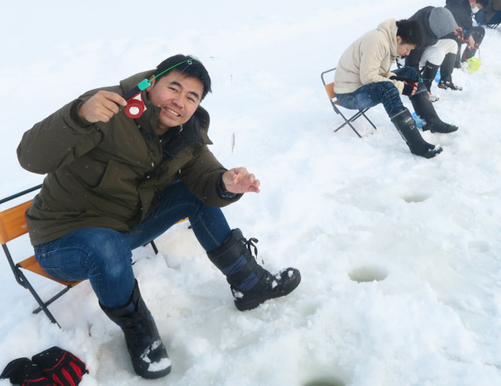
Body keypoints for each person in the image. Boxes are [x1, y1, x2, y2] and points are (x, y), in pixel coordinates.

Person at [17, 55, 300, 380]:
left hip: (124, 226)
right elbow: (30, 156)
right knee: (105, 245)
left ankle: (249, 282)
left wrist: (225, 183)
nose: (179, 102)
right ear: (152, 82)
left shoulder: (184, 133)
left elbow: (205, 178)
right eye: (174, 88)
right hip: (63, 239)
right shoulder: (107, 108)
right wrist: (79, 116)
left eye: (191, 97)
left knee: (192, 194)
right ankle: (138, 328)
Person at [334, 19, 457, 158]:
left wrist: (399, 79)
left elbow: (379, 72)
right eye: (408, 49)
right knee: (387, 89)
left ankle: (431, 121)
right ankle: (416, 144)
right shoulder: (377, 41)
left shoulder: (389, 41)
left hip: (361, 84)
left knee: (409, 72)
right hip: (349, 94)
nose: (407, 53)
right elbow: (368, 77)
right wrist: (402, 86)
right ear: (398, 39)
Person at [403, 6, 466, 94]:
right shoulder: (417, 34)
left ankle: (445, 81)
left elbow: (442, 21)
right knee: (438, 52)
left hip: (426, 44)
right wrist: (420, 85)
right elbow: (410, 64)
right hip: (408, 54)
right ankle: (426, 87)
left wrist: (453, 28)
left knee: (452, 44)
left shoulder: (433, 13)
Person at [444, 0, 489, 72]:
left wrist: (469, 34)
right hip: (447, 35)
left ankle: (466, 59)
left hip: (456, 32)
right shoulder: (457, 5)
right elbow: (456, 26)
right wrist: (468, 35)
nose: (477, 10)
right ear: (473, 0)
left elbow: (467, 24)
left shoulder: (465, 3)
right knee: (459, 35)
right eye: (478, 7)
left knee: (480, 31)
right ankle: (454, 62)